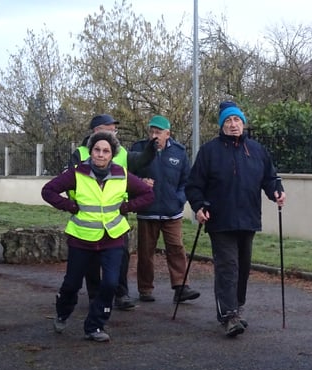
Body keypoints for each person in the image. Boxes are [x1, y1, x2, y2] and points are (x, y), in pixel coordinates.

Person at [185, 100, 286, 337]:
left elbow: (270, 178)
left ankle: (237, 308)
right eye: (228, 120)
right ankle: (228, 315)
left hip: (248, 218)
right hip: (220, 219)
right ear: (222, 125)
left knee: (242, 267)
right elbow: (194, 185)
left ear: (243, 123)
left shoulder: (257, 150)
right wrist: (198, 206)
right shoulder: (209, 151)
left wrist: (276, 191)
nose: (233, 124)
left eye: (237, 120)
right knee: (227, 266)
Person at [42, 131, 154, 342]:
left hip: (112, 237)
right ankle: (63, 312)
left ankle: (95, 325)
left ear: (112, 154)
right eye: (97, 150)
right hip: (82, 237)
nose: (101, 154)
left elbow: (148, 194)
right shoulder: (77, 173)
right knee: (72, 284)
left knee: (110, 284)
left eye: (106, 151)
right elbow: (48, 191)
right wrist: (69, 206)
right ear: (91, 151)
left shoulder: (121, 174)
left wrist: (127, 207)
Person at [69, 114, 156, 311]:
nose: (113, 133)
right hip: (88, 214)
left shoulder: (121, 151)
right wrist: (75, 205)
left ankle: (121, 293)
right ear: (97, 130)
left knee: (120, 255)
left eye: (114, 130)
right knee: (91, 259)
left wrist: (151, 149)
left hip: (116, 212)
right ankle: (94, 295)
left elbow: (140, 161)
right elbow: (70, 182)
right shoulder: (80, 153)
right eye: (110, 129)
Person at [130, 115, 200, 304]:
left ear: (167, 134)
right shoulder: (138, 149)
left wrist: (179, 199)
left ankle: (181, 287)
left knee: (176, 248)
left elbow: (187, 181)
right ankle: (145, 289)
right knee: (146, 252)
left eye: (158, 132)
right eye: (152, 131)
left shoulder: (179, 152)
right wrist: (139, 183)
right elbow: (127, 175)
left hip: (172, 211)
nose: (154, 135)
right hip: (147, 210)